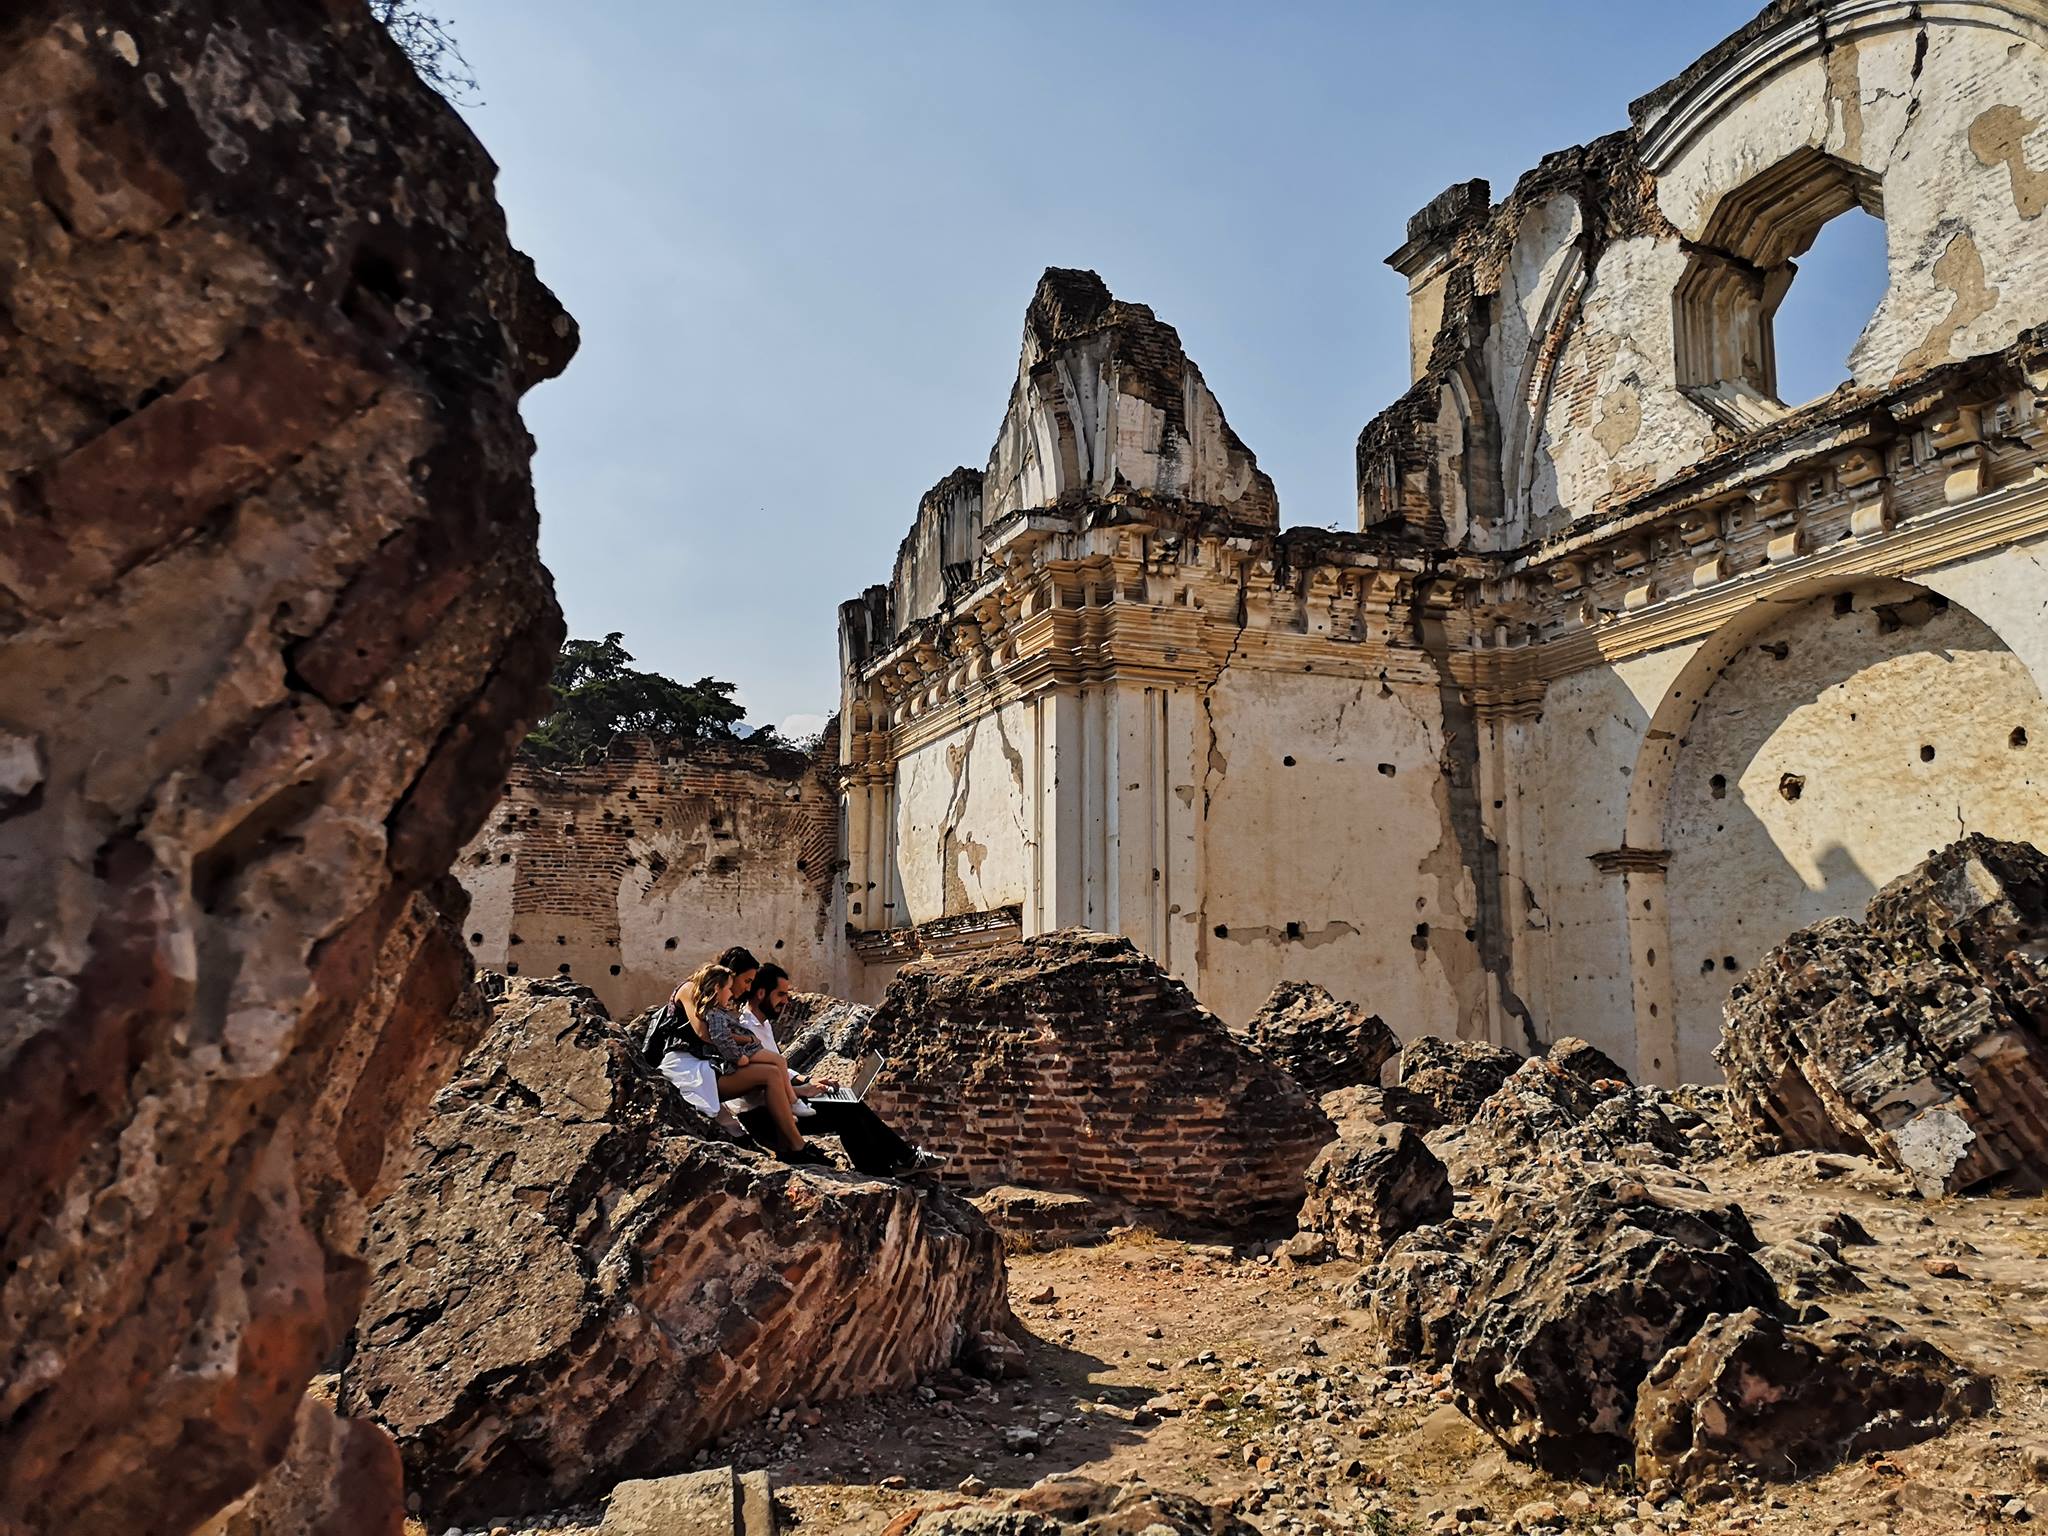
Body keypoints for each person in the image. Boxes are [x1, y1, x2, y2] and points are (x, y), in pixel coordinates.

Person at [734, 962, 941, 1178]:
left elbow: (779, 1069)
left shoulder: (763, 1025)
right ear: (760, 993)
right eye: (781, 994)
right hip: (764, 1116)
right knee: (847, 1110)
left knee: (849, 1103)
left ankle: (887, 1166)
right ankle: (894, 1164)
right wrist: (803, 1090)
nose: (786, 1001)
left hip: (782, 1104)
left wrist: (810, 1079)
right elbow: (758, 1089)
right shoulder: (746, 1029)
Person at [658, 960, 815, 1160]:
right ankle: (798, 1147)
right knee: (772, 1072)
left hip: (705, 1064)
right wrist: (745, 1040)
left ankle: (792, 1146)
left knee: (774, 1070)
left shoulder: (718, 1010)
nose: (743, 990)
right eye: (745, 982)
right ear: (719, 985)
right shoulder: (693, 994)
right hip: (689, 1068)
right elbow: (706, 1034)